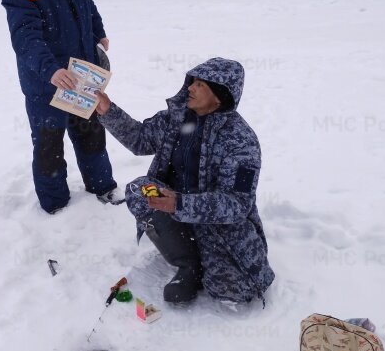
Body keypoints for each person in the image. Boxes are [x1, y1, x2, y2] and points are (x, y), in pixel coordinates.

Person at [95, 57, 275, 305]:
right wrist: (108, 110)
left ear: (219, 96)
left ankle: (208, 257)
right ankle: (187, 264)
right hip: (172, 204)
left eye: (200, 84)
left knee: (235, 290)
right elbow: (140, 139)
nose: (190, 87)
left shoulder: (240, 140)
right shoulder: (174, 118)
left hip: (214, 222)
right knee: (140, 191)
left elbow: (237, 203)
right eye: (192, 81)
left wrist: (181, 204)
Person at [0, 0, 122, 214]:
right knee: (49, 143)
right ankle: (55, 205)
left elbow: (87, 3)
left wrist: (99, 32)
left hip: (82, 72)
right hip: (45, 82)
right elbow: (26, 38)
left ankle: (102, 187)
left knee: (90, 132)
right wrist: (50, 70)